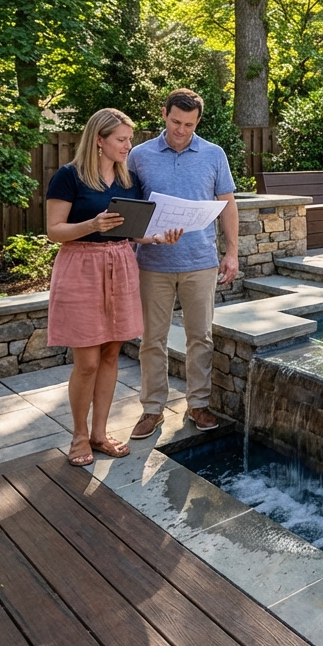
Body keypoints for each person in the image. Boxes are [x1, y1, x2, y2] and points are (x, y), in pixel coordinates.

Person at [46, 109, 183, 467]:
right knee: (87, 361)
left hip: (121, 264)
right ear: (99, 140)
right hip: (81, 267)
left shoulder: (127, 180)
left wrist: (157, 237)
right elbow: (54, 230)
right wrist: (91, 224)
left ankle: (99, 434)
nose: (128, 146)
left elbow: (131, 231)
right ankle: (79, 436)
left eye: (129, 139)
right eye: (121, 139)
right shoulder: (69, 176)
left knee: (110, 355)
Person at [128, 89, 239, 440]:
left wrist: (232, 252)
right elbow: (129, 209)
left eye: (189, 125)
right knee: (152, 340)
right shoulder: (139, 155)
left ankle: (199, 404)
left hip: (200, 261)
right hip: (152, 263)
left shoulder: (213, 154)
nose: (181, 130)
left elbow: (228, 204)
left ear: (198, 121)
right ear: (164, 114)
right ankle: (152, 409)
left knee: (200, 337)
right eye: (176, 122)